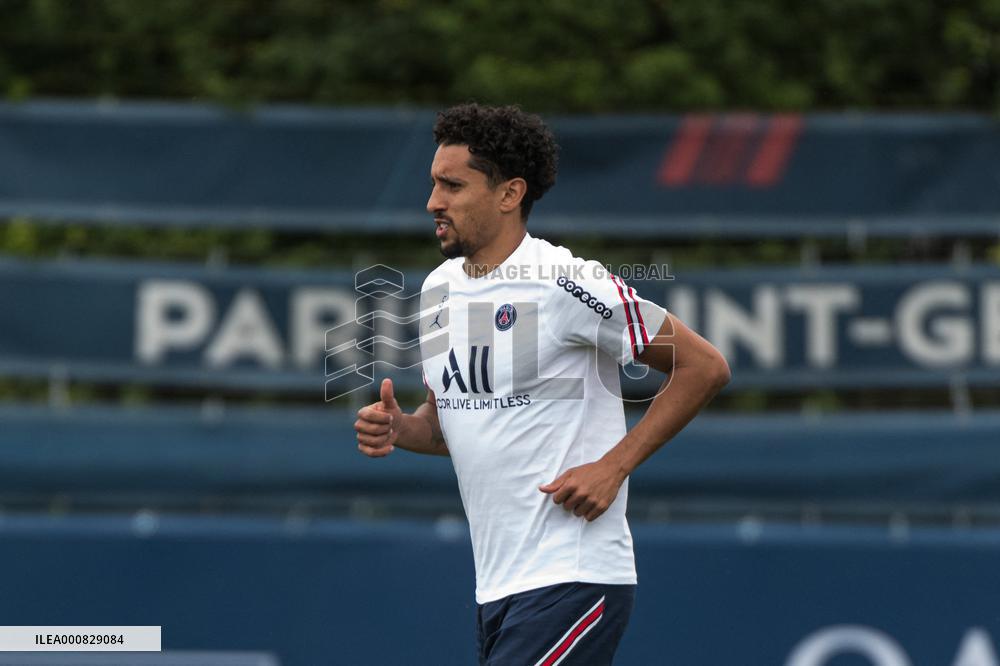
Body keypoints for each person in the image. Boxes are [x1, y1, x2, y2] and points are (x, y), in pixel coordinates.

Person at [353, 103, 730, 665]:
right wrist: (403, 429)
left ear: (509, 194)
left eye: (452, 185)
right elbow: (450, 422)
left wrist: (613, 466)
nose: (433, 201)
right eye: (433, 183)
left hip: (573, 575)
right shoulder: (437, 290)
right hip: (497, 589)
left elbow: (703, 365)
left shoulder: (566, 283)